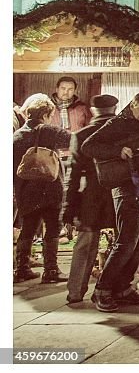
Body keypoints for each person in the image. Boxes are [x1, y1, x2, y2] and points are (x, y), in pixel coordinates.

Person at [82, 82, 139, 312]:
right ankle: (102, 291)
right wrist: (117, 151)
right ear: (133, 105)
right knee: (126, 242)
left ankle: (123, 289)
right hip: (127, 188)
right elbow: (88, 146)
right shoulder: (118, 124)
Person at [62, 94, 118, 303]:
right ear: (114, 109)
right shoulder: (122, 133)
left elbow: (73, 176)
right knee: (123, 244)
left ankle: (75, 291)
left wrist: (68, 207)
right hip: (118, 195)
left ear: (93, 111)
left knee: (85, 246)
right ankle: (116, 289)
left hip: (91, 198)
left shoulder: (81, 135)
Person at [13, 94, 72, 284]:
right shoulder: (49, 131)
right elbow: (74, 142)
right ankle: (51, 270)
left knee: (28, 229)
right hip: (50, 188)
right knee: (53, 228)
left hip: (25, 190)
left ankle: (21, 269)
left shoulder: (16, 136)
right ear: (46, 114)